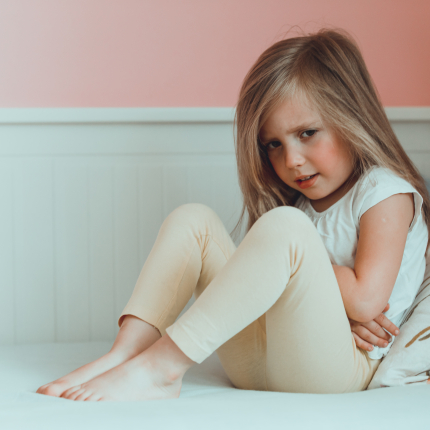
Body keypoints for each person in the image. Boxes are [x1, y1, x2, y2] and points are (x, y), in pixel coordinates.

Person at [36, 27, 430, 401]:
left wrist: (303, 266)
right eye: (273, 144)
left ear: (351, 117)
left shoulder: (384, 191)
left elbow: (365, 300)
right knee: (194, 221)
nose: (291, 160)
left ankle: (164, 367)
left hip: (337, 371)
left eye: (307, 133)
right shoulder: (300, 206)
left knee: (286, 228)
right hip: (260, 362)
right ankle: (127, 353)